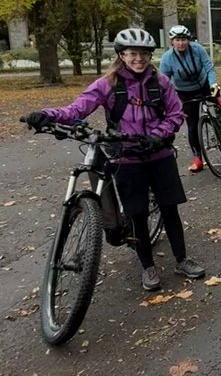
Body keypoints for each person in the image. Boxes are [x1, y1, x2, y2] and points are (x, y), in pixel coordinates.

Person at [23, 28, 206, 291]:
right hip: (126, 158)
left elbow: (176, 114)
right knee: (138, 214)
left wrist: (157, 135)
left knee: (170, 209)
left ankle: (182, 259)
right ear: (121, 55)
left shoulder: (161, 82)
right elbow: (77, 108)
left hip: (159, 154)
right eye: (132, 54)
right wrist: (46, 115)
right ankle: (148, 267)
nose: (138, 59)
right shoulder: (107, 84)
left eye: (143, 54)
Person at [159, 25, 221, 173]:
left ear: (188, 40)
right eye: (177, 40)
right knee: (192, 125)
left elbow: (208, 67)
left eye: (184, 39)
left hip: (204, 85)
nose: (181, 43)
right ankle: (197, 158)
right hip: (185, 93)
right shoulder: (167, 58)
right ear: (172, 42)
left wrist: (213, 85)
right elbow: (164, 81)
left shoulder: (197, 49)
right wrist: (170, 98)